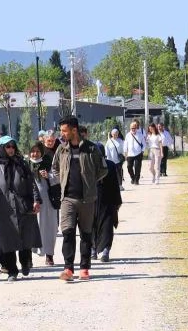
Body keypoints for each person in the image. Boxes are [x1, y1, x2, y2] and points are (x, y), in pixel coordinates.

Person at [51, 116, 108, 281]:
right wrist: (62, 181)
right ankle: (68, 268)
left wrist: (90, 182)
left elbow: (103, 169)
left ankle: (84, 268)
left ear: (74, 130)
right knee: (67, 233)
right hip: (67, 199)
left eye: (64, 130)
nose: (61, 134)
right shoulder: (61, 149)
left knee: (85, 234)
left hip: (87, 199)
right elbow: (55, 168)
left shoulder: (91, 149)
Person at [0, 136, 42, 282]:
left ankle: (25, 262)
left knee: (25, 239)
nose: (10, 149)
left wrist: (36, 200)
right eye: (7, 147)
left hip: (23, 208)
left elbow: (32, 184)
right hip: (5, 213)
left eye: (12, 146)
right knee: (7, 242)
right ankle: (12, 271)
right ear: (2, 149)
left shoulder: (22, 165)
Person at [27, 141, 58, 267]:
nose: (35, 154)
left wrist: (49, 176)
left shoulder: (48, 163)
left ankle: (49, 255)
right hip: (30, 201)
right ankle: (28, 257)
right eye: (33, 151)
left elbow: (58, 178)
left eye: (38, 151)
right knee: (29, 228)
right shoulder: (25, 164)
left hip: (48, 201)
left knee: (50, 227)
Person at [94, 137, 123, 262]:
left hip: (108, 201)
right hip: (92, 201)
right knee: (91, 226)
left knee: (107, 226)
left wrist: (117, 202)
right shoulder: (88, 165)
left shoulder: (110, 165)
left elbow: (116, 185)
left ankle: (106, 250)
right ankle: (93, 250)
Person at [123, 120, 145, 185]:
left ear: (136, 128)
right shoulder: (127, 135)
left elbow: (144, 144)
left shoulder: (140, 135)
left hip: (138, 153)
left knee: (137, 168)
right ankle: (133, 178)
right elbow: (125, 144)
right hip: (130, 154)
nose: (133, 129)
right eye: (132, 128)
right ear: (130, 128)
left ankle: (136, 180)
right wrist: (125, 152)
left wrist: (143, 150)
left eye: (134, 128)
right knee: (129, 167)